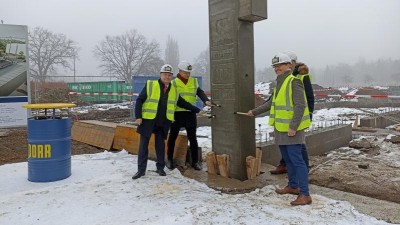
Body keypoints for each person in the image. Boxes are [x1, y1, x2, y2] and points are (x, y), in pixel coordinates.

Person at [247, 53, 312, 205]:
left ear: (290, 66)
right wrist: (254, 112)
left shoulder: (294, 82)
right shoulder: (279, 83)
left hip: (291, 130)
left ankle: (305, 194)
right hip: (281, 129)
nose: (277, 68)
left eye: (280, 65)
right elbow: (271, 104)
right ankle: (293, 186)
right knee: (288, 160)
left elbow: (301, 105)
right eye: (275, 66)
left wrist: (293, 127)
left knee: (297, 161)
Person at [132, 64, 204, 180]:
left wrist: (197, 110)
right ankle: (141, 171)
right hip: (148, 121)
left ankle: (160, 168)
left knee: (160, 146)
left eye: (169, 75)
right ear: (160, 75)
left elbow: (183, 103)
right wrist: (138, 116)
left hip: (163, 122)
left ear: (172, 76)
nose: (167, 77)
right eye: (165, 74)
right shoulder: (151, 85)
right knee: (143, 146)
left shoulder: (174, 90)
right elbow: (140, 100)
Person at [269, 51, 315, 175]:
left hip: (298, 118)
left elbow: (308, 98)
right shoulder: (283, 78)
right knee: (288, 149)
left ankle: (304, 172)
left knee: (299, 148)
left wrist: (309, 113)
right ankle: (286, 167)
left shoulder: (300, 77)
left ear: (292, 63)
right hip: (285, 120)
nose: (278, 68)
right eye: (276, 66)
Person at [166, 61, 211, 170]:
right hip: (177, 113)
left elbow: (199, 92)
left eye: (189, 73)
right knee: (172, 137)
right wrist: (197, 110)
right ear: (180, 71)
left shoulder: (194, 81)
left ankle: (195, 161)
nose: (188, 75)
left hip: (190, 114)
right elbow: (178, 101)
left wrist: (206, 101)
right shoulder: (174, 83)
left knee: (193, 138)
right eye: (185, 72)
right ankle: (169, 159)